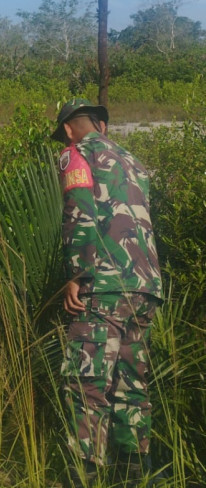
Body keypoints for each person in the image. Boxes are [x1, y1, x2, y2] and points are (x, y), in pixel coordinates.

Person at [52, 98, 165, 487]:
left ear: (70, 128)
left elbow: (78, 210)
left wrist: (78, 275)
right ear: (102, 125)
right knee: (131, 387)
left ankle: (82, 478)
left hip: (103, 285)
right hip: (145, 286)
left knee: (86, 386)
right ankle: (134, 477)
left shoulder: (75, 154)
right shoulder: (133, 160)